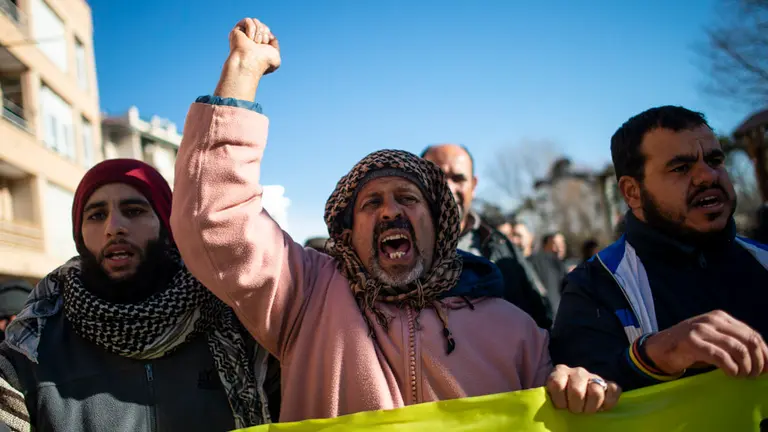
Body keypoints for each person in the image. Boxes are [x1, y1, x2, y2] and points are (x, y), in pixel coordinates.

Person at [171, 17, 621, 423]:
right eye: (371, 204)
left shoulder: (516, 330)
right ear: (347, 232)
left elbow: (562, 404)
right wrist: (244, 71)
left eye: (408, 198)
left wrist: (575, 386)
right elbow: (215, 219)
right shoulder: (305, 296)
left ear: (439, 224)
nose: (390, 211)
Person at [0, 159, 279, 431]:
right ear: (80, 235)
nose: (114, 228)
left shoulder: (237, 323)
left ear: (167, 227)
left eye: (134, 211)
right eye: (96, 215)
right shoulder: (32, 347)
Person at [551, 106, 768, 391]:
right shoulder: (595, 287)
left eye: (715, 160)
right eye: (680, 168)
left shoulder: (763, 259)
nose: (707, 176)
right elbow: (582, 392)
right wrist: (655, 356)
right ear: (632, 192)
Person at [420, 144, 552, 329]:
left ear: (473, 186)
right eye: (437, 177)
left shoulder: (501, 247)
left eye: (458, 178)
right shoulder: (398, 251)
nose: (448, 187)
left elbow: (540, 319)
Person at [530, 232, 568, 312]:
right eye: (556, 244)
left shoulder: (558, 263)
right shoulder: (548, 262)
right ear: (547, 244)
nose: (560, 247)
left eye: (562, 243)